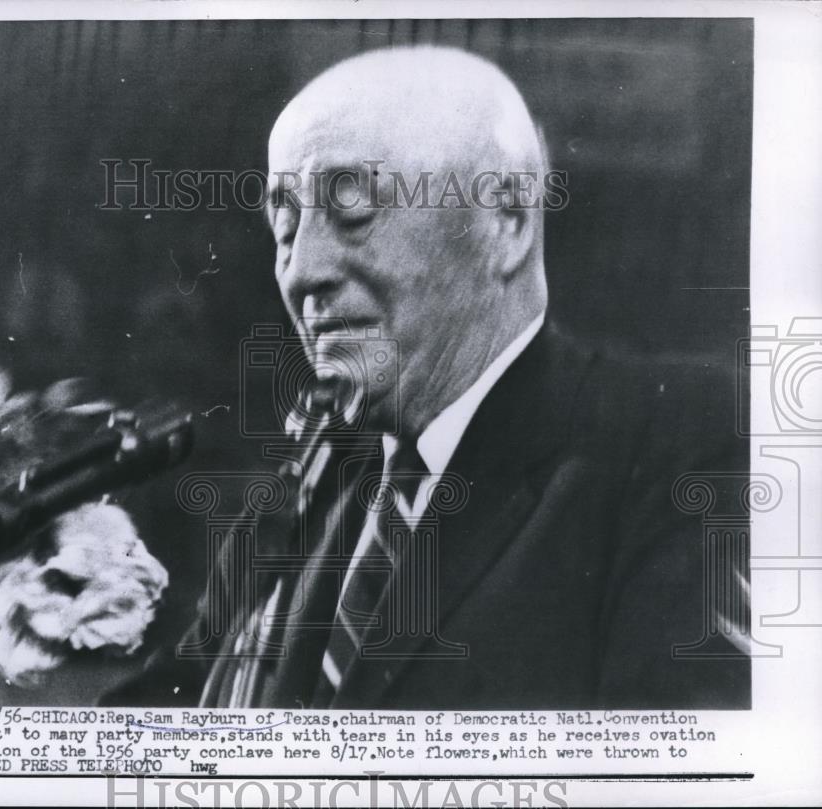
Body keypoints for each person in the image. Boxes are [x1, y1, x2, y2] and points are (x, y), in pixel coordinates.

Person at [107, 45, 749, 710]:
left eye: (352, 209)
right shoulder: (303, 488)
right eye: (285, 225)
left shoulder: (679, 446)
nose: (301, 272)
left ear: (506, 220)